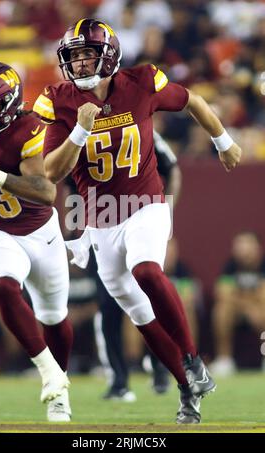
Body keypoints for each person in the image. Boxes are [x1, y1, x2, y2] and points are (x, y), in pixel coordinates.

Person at [33, 18, 242, 424]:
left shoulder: (143, 81)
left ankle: (193, 361)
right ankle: (186, 387)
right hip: (100, 219)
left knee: (146, 269)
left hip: (146, 202)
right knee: (139, 313)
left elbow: (194, 101)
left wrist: (224, 141)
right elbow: (51, 174)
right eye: (72, 57)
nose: (77, 64)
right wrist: (79, 132)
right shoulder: (59, 100)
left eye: (86, 55)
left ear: (107, 55)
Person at [0, 62, 73, 422]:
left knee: (54, 316)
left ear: (10, 104)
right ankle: (49, 373)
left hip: (41, 233)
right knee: (5, 289)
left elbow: (45, 192)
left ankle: (62, 390)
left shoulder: (28, 128)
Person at [94, 131, 182, 401]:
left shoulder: (136, 121)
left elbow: (172, 168)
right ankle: (119, 379)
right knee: (109, 306)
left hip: (139, 223)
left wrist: (165, 212)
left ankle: (161, 366)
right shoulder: (77, 126)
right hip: (100, 225)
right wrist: (74, 223)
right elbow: (67, 183)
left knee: (150, 296)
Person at [210, 231, 265, 376]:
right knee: (221, 310)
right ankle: (225, 360)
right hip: (238, 310)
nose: (243, 249)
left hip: (260, 310)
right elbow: (222, 293)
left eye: (247, 244)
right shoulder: (230, 266)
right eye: (240, 245)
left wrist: (240, 297)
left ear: (257, 248)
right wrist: (248, 305)